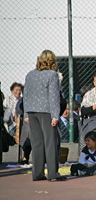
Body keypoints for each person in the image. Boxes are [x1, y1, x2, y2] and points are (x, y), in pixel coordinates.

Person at [23, 50, 66, 181]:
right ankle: (52, 172)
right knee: (50, 142)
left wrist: (26, 113)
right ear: (52, 61)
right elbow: (53, 97)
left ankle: (37, 173)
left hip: (31, 111)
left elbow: (26, 95)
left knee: (37, 143)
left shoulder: (30, 74)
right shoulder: (52, 75)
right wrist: (55, 116)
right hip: (46, 111)